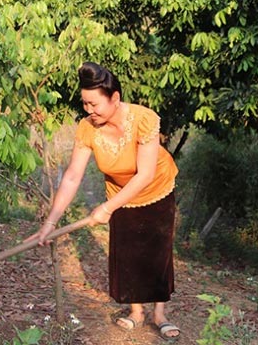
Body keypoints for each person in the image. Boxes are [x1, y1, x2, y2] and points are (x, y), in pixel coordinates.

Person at [27, 62, 181, 340]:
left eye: (95, 104)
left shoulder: (144, 119)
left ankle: (160, 314)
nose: (89, 111)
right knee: (128, 252)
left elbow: (145, 174)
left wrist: (107, 208)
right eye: (85, 104)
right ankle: (136, 312)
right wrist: (50, 222)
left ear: (115, 98)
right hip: (120, 193)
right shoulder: (87, 129)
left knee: (158, 252)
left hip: (157, 188)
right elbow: (73, 175)